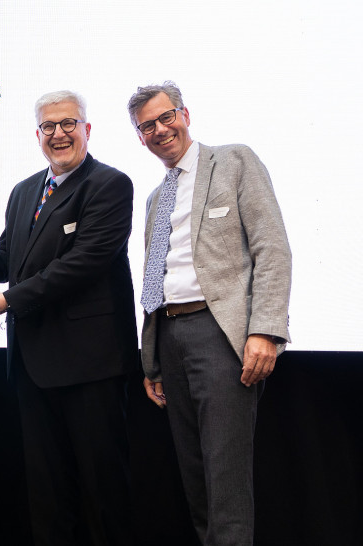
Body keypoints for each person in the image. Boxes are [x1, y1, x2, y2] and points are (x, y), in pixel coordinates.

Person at [0, 91, 138, 545]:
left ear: (86, 129)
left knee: (103, 492)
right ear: (37, 134)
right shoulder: (25, 191)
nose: (58, 134)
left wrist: (9, 301)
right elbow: (14, 260)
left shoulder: (109, 184)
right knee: (46, 492)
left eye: (68, 124)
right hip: (31, 364)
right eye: (49, 127)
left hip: (90, 365)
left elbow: (84, 262)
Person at [127, 81, 292, 545]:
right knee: (195, 479)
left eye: (166, 117)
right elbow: (155, 280)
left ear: (185, 114)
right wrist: (152, 359)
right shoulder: (155, 198)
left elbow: (271, 248)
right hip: (170, 339)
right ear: (140, 138)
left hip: (220, 336)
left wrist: (265, 330)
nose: (160, 130)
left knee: (226, 479)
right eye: (147, 127)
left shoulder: (235, 161)